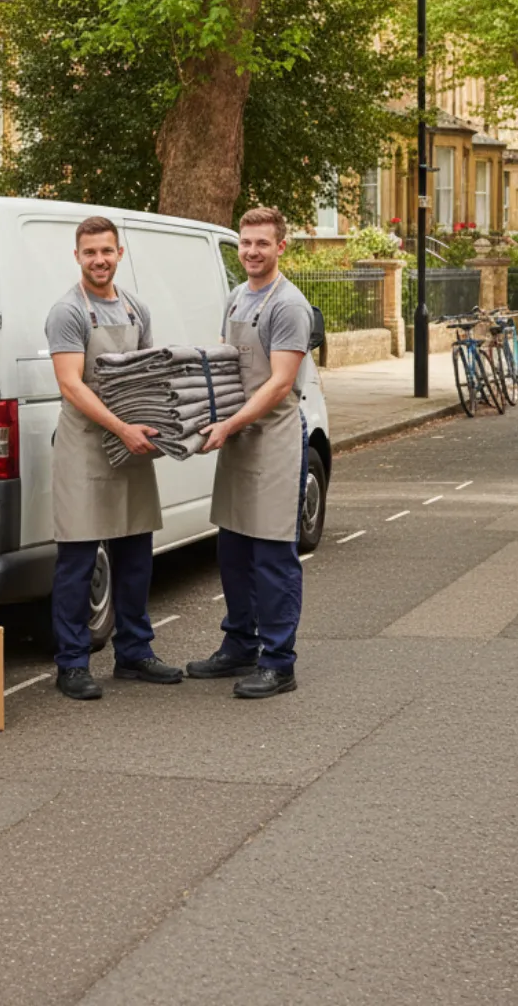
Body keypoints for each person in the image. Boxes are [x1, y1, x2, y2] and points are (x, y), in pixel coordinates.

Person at [45, 216, 184, 700]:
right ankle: (73, 663)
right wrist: (121, 428)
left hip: (131, 446)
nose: (99, 260)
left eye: (106, 251)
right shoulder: (67, 313)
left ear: (119, 254)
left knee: (135, 557)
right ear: (77, 256)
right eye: (90, 253)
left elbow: (145, 376)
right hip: (86, 446)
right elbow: (70, 384)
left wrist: (158, 427)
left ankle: (135, 653)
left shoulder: (135, 308)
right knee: (78, 560)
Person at [189, 206, 313, 699]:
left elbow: (281, 383)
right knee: (233, 549)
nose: (252, 252)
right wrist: (201, 412)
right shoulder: (237, 297)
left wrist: (231, 424)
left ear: (281, 246)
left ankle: (279, 662)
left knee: (272, 554)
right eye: (246, 243)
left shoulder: (288, 306)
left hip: (274, 438)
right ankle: (240, 644)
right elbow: (225, 361)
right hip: (238, 435)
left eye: (263, 243)